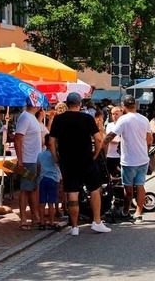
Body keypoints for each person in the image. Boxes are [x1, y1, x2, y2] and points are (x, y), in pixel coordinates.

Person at [49, 92, 111, 235]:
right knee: (95, 188)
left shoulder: (58, 119)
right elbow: (99, 139)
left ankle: (75, 226)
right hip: (86, 159)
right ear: (80, 104)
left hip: (67, 160)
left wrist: (57, 157)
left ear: (66, 103)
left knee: (72, 193)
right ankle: (96, 221)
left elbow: (51, 142)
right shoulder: (87, 118)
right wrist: (95, 153)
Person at [103, 95, 152, 224]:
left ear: (124, 107)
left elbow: (112, 135)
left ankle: (126, 210)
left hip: (129, 160)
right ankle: (138, 213)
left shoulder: (123, 119)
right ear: (135, 105)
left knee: (128, 188)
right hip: (143, 158)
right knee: (140, 186)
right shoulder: (144, 119)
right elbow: (150, 139)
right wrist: (146, 150)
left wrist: (101, 144)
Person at [14, 102, 42, 230]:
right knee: (25, 189)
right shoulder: (25, 117)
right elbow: (18, 139)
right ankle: (23, 218)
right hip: (28, 159)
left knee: (33, 189)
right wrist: (20, 160)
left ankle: (35, 216)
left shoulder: (32, 117)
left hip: (34, 159)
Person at [38, 134, 61, 230]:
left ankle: (42, 221)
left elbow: (38, 167)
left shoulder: (40, 154)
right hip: (53, 179)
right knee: (51, 202)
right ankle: (51, 221)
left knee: (42, 202)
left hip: (42, 179)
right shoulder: (55, 155)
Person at [104, 106, 123, 178]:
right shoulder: (110, 125)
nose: (114, 116)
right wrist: (120, 142)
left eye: (116, 114)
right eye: (113, 114)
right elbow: (110, 139)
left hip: (121, 155)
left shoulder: (124, 124)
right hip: (111, 154)